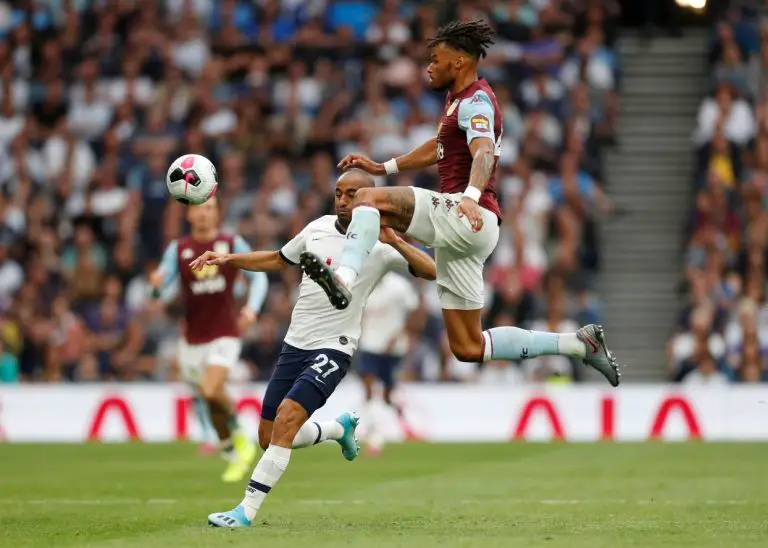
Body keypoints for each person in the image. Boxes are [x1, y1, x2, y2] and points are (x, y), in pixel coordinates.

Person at [301, 19, 621, 386]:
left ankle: (343, 279)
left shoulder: (475, 101)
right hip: (472, 229)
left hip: (466, 212)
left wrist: (470, 197)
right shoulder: (458, 101)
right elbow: (438, 146)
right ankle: (578, 344)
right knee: (468, 346)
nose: (429, 67)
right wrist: (384, 167)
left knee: (365, 198)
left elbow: (483, 152)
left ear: (459, 62)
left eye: (435, 60)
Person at [189, 169, 436, 528]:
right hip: (295, 344)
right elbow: (278, 259)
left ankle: (245, 511)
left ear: (369, 199)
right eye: (338, 193)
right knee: (268, 437)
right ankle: (337, 429)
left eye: (352, 194)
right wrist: (228, 260)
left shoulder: (380, 244)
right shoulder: (316, 228)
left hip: (335, 347)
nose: (343, 201)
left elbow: (432, 270)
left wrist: (396, 241)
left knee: (288, 418)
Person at [150, 197, 268, 482]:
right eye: (200, 208)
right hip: (192, 340)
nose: (205, 214)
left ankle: (241, 434)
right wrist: (155, 287)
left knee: (210, 388)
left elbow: (259, 276)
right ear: (189, 213)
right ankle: (231, 448)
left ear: (218, 214)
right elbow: (161, 292)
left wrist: (251, 309)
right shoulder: (178, 249)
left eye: (211, 208)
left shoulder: (231, 243)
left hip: (225, 333)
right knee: (209, 398)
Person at [358, 271, 421, 454]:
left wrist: (401, 334)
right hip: (369, 344)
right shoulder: (362, 283)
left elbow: (416, 311)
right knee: (368, 387)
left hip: (393, 347)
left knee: (388, 395)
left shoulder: (399, 286)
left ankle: (405, 423)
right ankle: (373, 435)